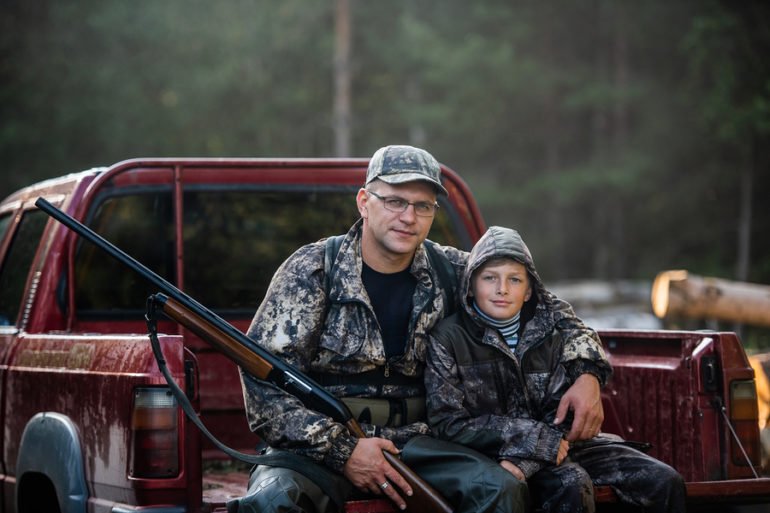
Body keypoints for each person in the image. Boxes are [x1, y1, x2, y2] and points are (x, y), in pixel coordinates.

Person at [230, 145, 605, 513]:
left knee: (499, 490)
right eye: (394, 201)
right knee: (274, 500)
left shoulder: (455, 272)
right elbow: (264, 385)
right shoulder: (312, 270)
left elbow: (550, 312)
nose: (408, 217)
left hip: (422, 442)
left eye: (422, 206)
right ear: (364, 201)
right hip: (319, 444)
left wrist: (587, 374)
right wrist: (343, 451)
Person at [425, 225, 687, 513]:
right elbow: (447, 423)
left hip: (565, 445)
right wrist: (531, 442)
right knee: (570, 485)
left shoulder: (553, 330)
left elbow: (566, 412)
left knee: (663, 480)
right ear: (471, 286)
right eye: (489, 278)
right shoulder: (448, 338)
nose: (502, 289)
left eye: (514, 279)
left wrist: (532, 457)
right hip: (494, 455)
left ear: (528, 291)